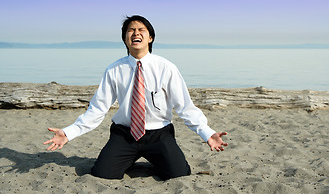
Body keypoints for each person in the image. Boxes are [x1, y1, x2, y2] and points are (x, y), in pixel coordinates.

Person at [43, 15, 228, 180]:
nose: (135, 33)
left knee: (178, 174)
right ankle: (127, 159)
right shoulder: (114, 69)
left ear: (150, 37)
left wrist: (207, 133)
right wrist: (68, 132)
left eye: (141, 30)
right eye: (131, 30)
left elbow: (185, 107)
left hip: (159, 134)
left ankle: (156, 158)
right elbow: (98, 109)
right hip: (125, 134)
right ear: (125, 38)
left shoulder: (166, 68)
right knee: (103, 174)